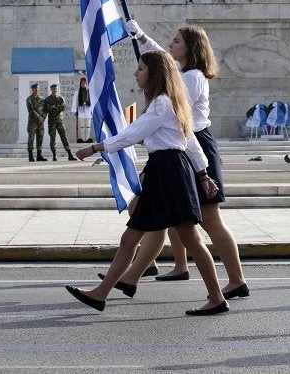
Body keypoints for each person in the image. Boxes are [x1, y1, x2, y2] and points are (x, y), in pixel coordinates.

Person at [64, 50, 229, 316]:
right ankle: (101, 293)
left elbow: (133, 134)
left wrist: (96, 147)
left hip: (169, 172)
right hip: (166, 171)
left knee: (190, 240)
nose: (136, 73)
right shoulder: (169, 102)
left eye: (140, 69)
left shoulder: (163, 103)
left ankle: (217, 298)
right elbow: (191, 144)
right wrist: (202, 174)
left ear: (154, 73)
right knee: (131, 237)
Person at [122, 21, 249, 298]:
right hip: (180, 144)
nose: (171, 45)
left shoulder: (191, 78)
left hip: (192, 144)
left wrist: (143, 129)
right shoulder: (184, 71)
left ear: (191, 47)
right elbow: (163, 59)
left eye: (177, 41)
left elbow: (177, 113)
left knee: (209, 219)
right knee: (166, 212)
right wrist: (142, 37)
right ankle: (135, 274)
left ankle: (236, 279)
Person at [43, 83, 77, 161]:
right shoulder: (47, 100)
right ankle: (54, 155)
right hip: (51, 122)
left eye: (56, 89)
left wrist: (54, 107)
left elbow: (63, 107)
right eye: (53, 89)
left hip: (59, 122)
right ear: (51, 89)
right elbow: (45, 110)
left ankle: (70, 154)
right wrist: (43, 117)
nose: (55, 90)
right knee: (52, 139)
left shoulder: (60, 98)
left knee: (64, 137)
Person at [25, 83, 46, 161]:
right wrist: (39, 117)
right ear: (32, 89)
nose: (36, 90)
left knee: (40, 138)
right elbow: (31, 110)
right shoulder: (29, 99)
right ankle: (30, 156)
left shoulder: (42, 99)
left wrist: (43, 117)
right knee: (31, 138)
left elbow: (45, 109)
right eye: (35, 88)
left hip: (40, 123)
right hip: (32, 123)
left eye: (37, 88)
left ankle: (39, 156)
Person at [72, 75, 93, 143]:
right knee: (82, 127)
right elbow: (75, 101)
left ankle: (87, 139)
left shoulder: (90, 92)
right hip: (81, 111)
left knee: (87, 126)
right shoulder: (77, 92)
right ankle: (83, 139)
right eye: (82, 83)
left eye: (84, 83)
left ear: (86, 84)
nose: (83, 84)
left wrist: (93, 111)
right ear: (80, 84)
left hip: (88, 111)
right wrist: (74, 111)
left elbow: (92, 101)